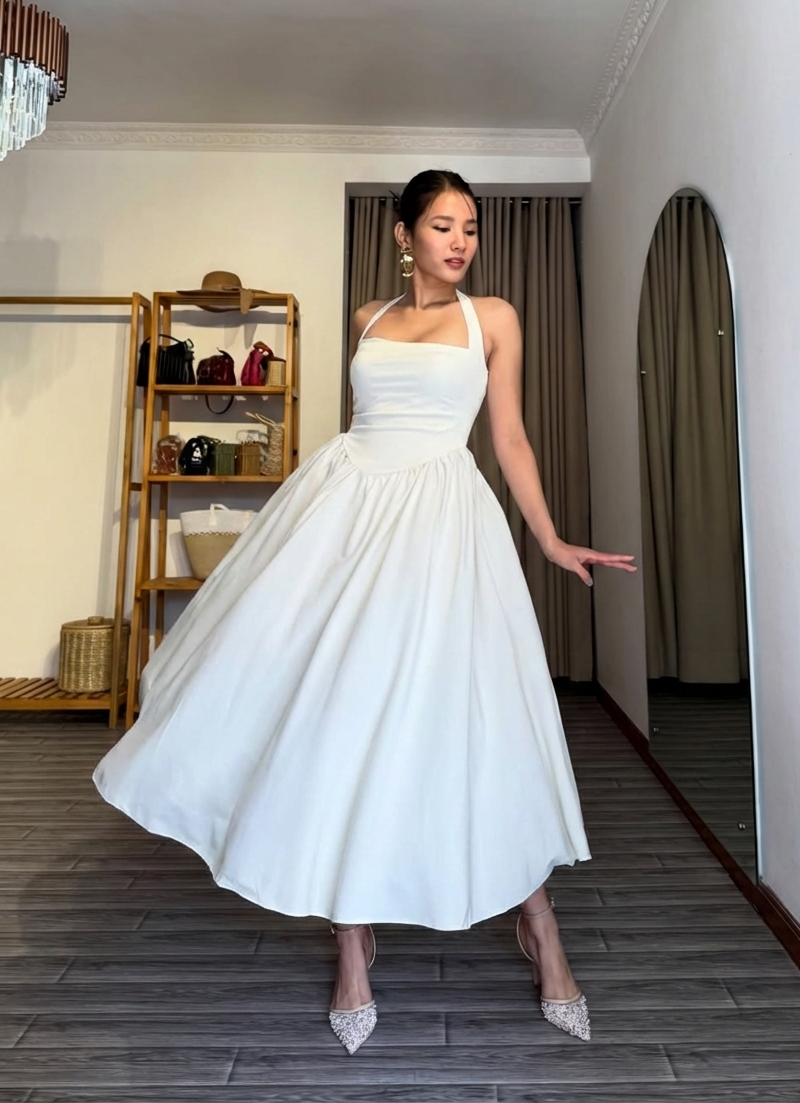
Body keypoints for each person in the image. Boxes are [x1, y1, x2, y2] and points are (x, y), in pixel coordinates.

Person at [94, 169, 635, 1055]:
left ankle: (538, 926)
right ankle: (353, 940)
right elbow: (366, 426)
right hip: (350, 521)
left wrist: (549, 540)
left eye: (470, 228)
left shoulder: (492, 318)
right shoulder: (366, 322)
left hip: (444, 527)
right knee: (335, 716)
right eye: (442, 226)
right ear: (403, 234)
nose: (459, 242)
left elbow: (508, 438)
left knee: (481, 724)